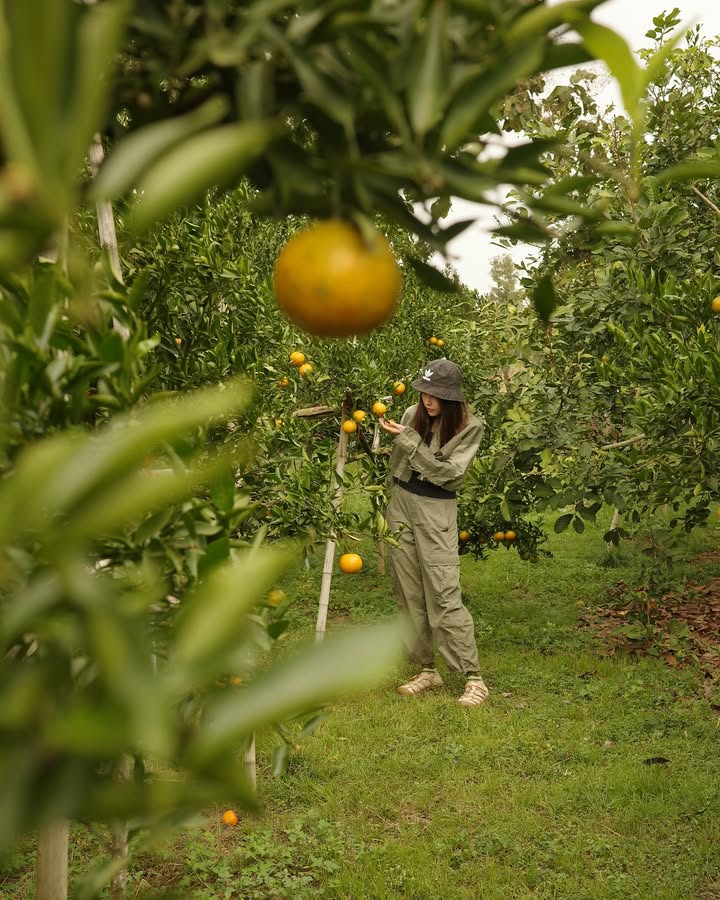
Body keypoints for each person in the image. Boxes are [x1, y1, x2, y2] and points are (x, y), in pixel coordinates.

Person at [379, 358, 488, 707]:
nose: (428, 400)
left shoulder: (470, 426)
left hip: (435, 509)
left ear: (452, 397)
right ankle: (427, 669)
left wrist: (409, 442)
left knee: (443, 592)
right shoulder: (413, 414)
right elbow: (398, 464)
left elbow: (450, 475)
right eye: (424, 391)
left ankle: (473, 678)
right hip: (402, 504)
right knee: (409, 590)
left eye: (436, 395)